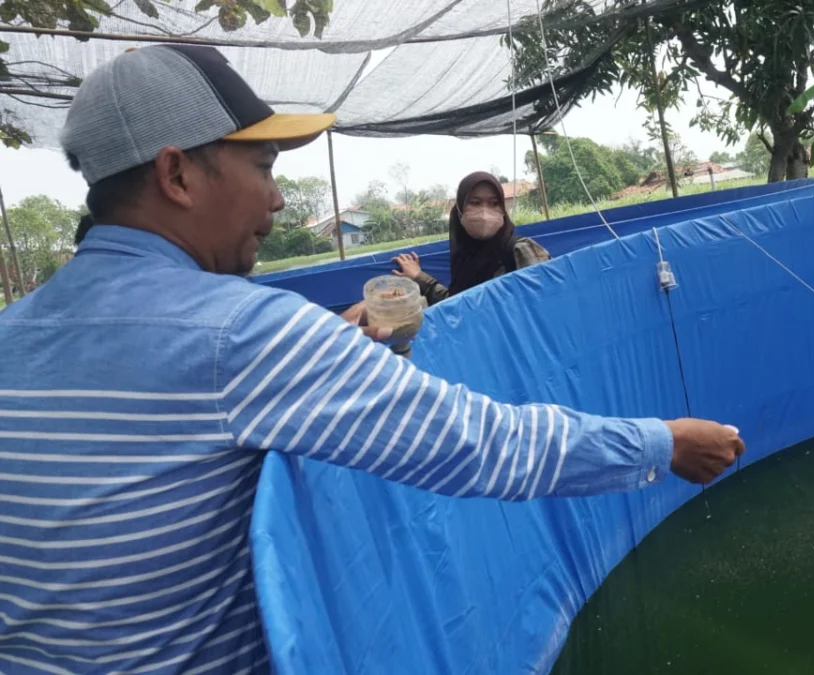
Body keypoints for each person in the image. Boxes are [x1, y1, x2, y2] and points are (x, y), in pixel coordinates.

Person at [0, 45, 744, 674]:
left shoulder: (12, 335)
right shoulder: (244, 332)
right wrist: (662, 441)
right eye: (262, 165)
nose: (279, 202)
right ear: (177, 175)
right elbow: (477, 442)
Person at [393, 171, 548, 306]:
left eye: (494, 203)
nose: (485, 211)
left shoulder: (520, 249)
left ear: (503, 209)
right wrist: (418, 277)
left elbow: (549, 299)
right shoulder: (464, 258)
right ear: (459, 210)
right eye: (475, 202)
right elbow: (458, 304)